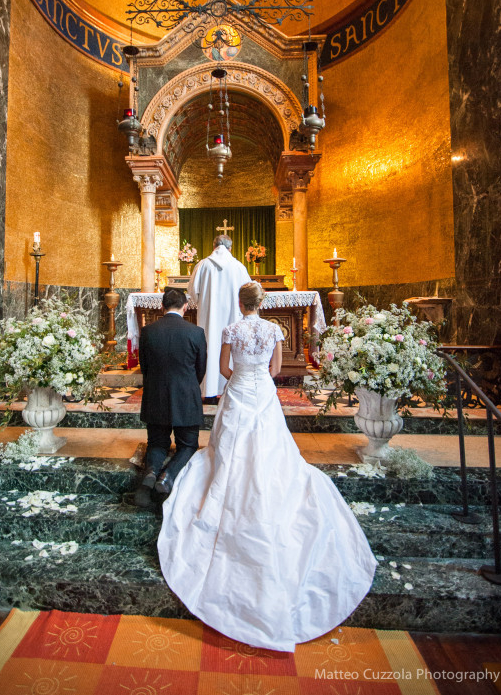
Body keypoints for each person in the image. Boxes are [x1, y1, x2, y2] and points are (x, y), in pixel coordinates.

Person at [158, 281, 377, 652]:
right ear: (262, 303)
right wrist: (258, 376)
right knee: (271, 445)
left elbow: (224, 368)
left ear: (239, 302)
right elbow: (276, 369)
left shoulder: (231, 329)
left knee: (229, 446)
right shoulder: (275, 330)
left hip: (239, 390)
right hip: (263, 391)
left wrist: (241, 378)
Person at [133, 287, 207, 507]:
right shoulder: (196, 332)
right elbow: (200, 369)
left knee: (157, 443)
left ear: (161, 306)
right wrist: (188, 386)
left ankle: (151, 472)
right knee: (188, 445)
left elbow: (144, 366)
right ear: (185, 306)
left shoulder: (148, 331)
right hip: (186, 397)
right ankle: (168, 476)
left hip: (155, 395)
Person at [187, 234, 251, 402]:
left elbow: (192, 292)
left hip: (208, 317)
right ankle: (232, 390)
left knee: (210, 346)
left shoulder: (203, 265)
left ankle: (209, 391)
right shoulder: (238, 267)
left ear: (213, 246)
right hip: (234, 317)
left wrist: (203, 303)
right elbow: (248, 293)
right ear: (230, 248)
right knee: (232, 348)